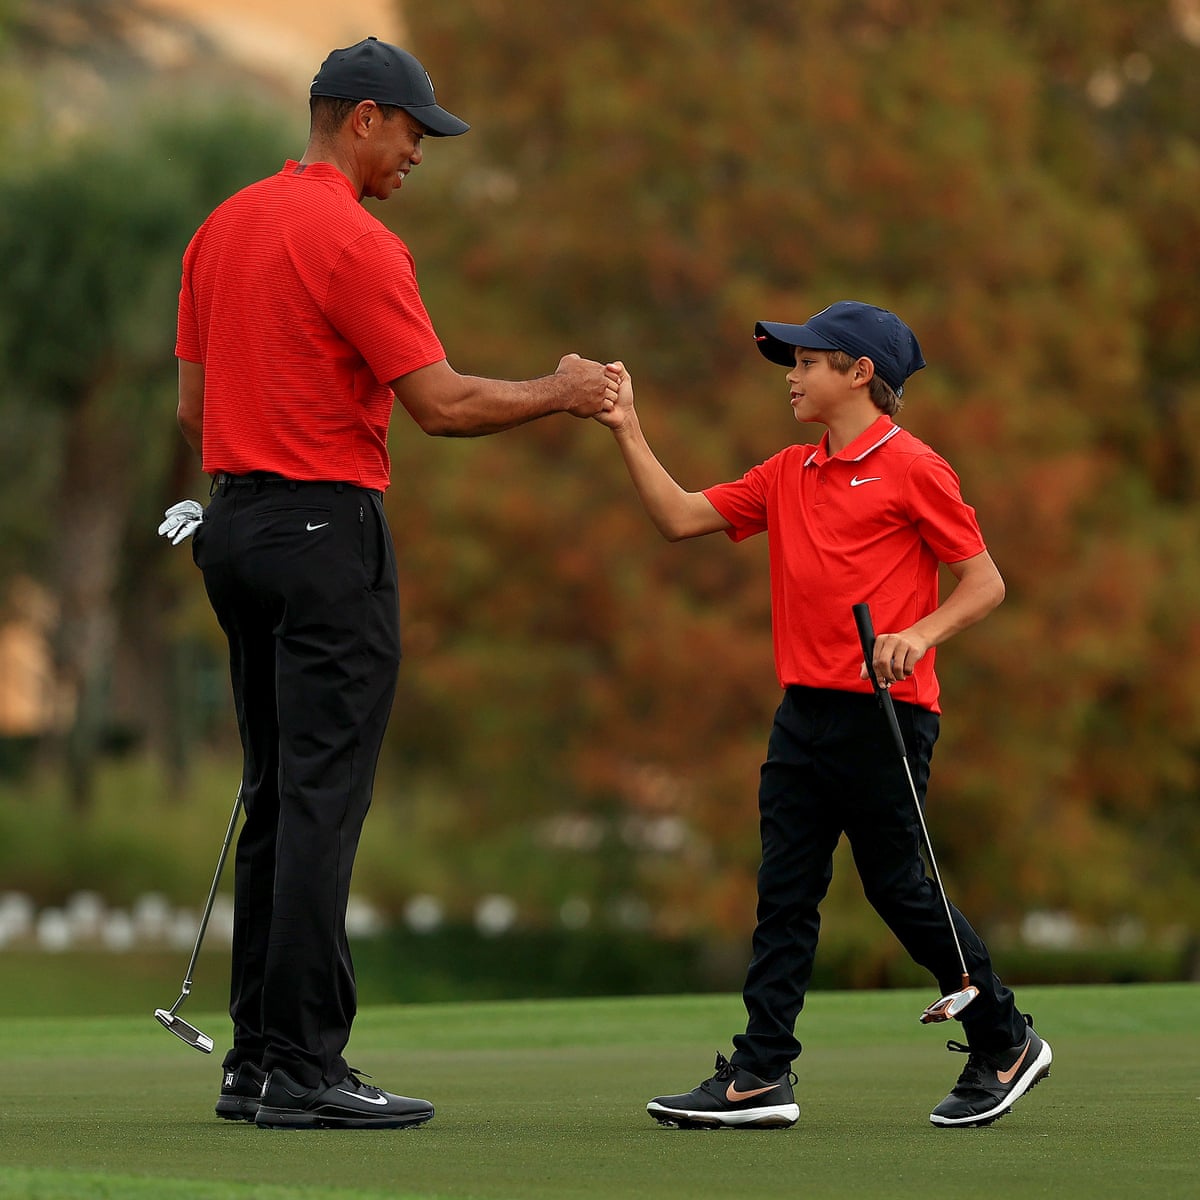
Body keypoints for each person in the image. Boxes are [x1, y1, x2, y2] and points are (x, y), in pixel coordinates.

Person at [168, 36, 617, 1131]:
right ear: (362, 117)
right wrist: (562, 392)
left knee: (276, 793)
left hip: (234, 527)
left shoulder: (222, 226)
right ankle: (308, 1070)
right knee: (323, 799)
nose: (421, 152)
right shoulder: (353, 241)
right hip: (327, 531)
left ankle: (256, 1063)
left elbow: (192, 410)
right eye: (416, 131)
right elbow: (444, 406)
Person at [595, 301, 1051, 1129]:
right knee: (785, 892)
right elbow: (678, 517)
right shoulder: (786, 472)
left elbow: (985, 582)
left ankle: (1006, 1038)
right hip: (802, 714)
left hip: (886, 716)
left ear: (859, 373)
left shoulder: (916, 467)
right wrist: (627, 426)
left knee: (899, 891)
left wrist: (919, 632)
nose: (792, 377)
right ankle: (762, 1074)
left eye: (806, 363)